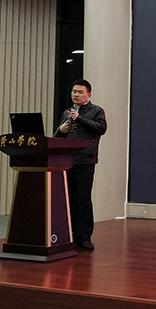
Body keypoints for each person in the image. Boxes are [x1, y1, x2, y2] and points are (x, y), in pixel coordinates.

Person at [55, 79, 107, 251]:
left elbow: (101, 128)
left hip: (85, 161)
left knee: (83, 199)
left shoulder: (96, 111)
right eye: (74, 92)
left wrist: (80, 118)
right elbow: (58, 138)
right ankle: (71, 234)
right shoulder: (67, 112)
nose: (76, 95)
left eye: (80, 92)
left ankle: (84, 237)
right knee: (70, 199)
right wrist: (60, 131)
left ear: (88, 94)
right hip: (67, 162)